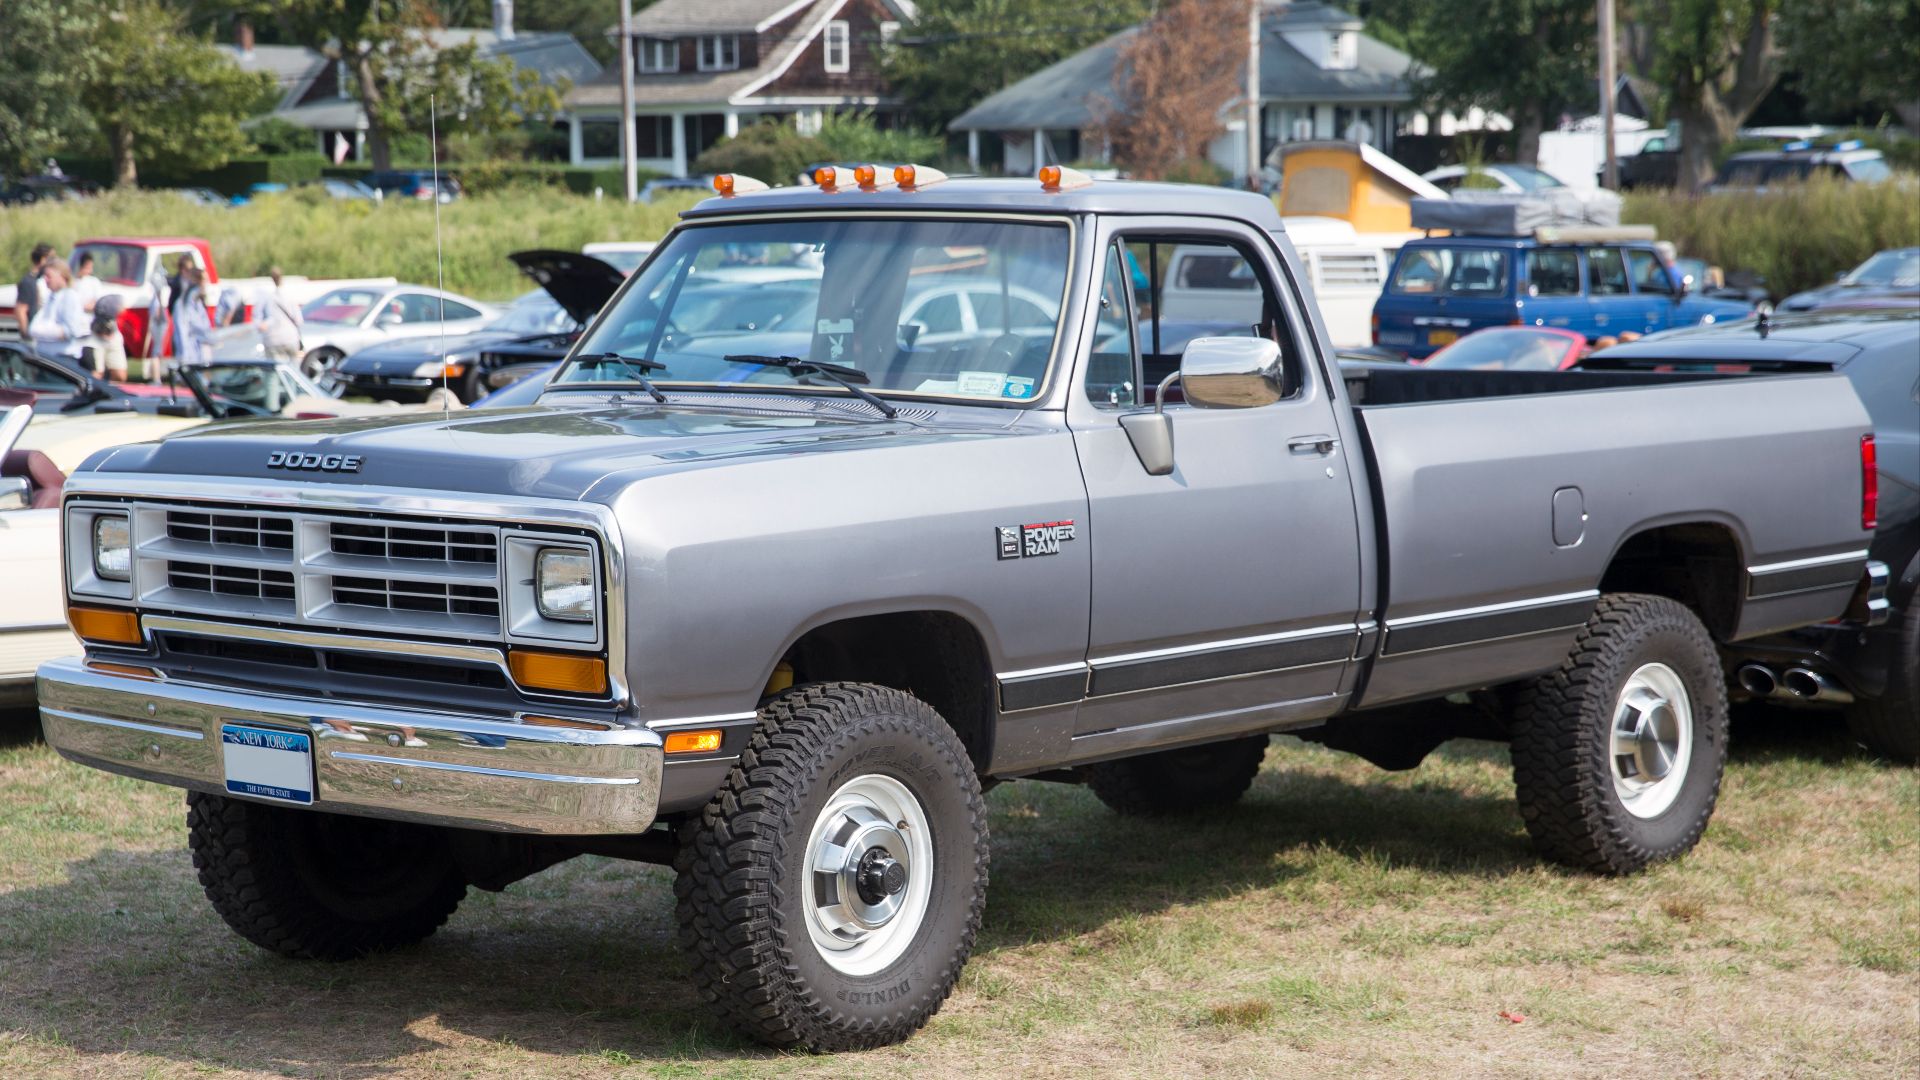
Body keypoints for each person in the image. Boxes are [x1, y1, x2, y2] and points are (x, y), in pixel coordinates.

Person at [26, 257, 91, 370]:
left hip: (63, 359)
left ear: (61, 276)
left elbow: (70, 331)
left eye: (49, 276)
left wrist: (43, 330)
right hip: (46, 357)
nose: (46, 279)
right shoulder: (51, 297)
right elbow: (33, 328)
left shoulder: (69, 297)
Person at [169, 261, 217, 368]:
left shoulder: (198, 304)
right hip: (188, 361)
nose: (206, 284)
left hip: (200, 358)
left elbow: (206, 330)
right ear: (196, 282)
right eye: (204, 280)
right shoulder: (182, 305)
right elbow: (182, 336)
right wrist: (185, 364)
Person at [255, 267, 302, 363]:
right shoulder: (290, 296)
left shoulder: (266, 296)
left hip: (272, 339)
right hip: (290, 338)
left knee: (275, 369)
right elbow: (299, 320)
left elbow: (259, 319)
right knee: (293, 368)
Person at [13, 242, 53, 337]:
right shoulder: (28, 282)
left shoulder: (44, 280)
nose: (54, 262)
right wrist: (27, 336)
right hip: (33, 335)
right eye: (51, 259)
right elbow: (21, 310)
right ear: (43, 260)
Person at [88, 293, 128, 381]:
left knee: (120, 376)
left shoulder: (117, 299)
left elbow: (122, 310)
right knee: (98, 373)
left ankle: (111, 389)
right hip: (97, 339)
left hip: (113, 338)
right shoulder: (104, 302)